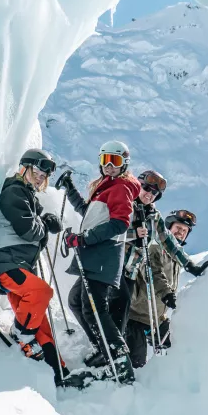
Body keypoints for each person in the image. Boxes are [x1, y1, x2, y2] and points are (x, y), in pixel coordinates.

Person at [0, 149, 76, 387]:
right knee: (42, 293)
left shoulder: (28, 196)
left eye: (44, 175)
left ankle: (59, 373)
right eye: (37, 171)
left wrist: (44, 224)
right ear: (25, 167)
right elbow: (28, 230)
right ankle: (21, 334)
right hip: (5, 264)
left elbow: (35, 232)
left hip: (18, 266)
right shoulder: (14, 191)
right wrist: (45, 224)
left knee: (40, 323)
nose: (40, 177)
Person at [54, 140, 141, 384]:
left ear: (124, 163)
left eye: (115, 161)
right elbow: (89, 213)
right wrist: (70, 189)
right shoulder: (106, 187)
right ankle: (105, 351)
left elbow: (120, 223)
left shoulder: (121, 187)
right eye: (105, 161)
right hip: (94, 256)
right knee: (77, 302)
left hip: (103, 256)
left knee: (93, 308)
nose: (109, 166)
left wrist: (84, 238)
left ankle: (119, 358)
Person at [126, 208, 207, 368]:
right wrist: (167, 294)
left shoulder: (177, 257)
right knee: (137, 363)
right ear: (168, 228)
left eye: (185, 231)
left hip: (158, 318)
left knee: (179, 345)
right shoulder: (154, 247)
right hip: (136, 316)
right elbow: (153, 273)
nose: (181, 233)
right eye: (178, 228)